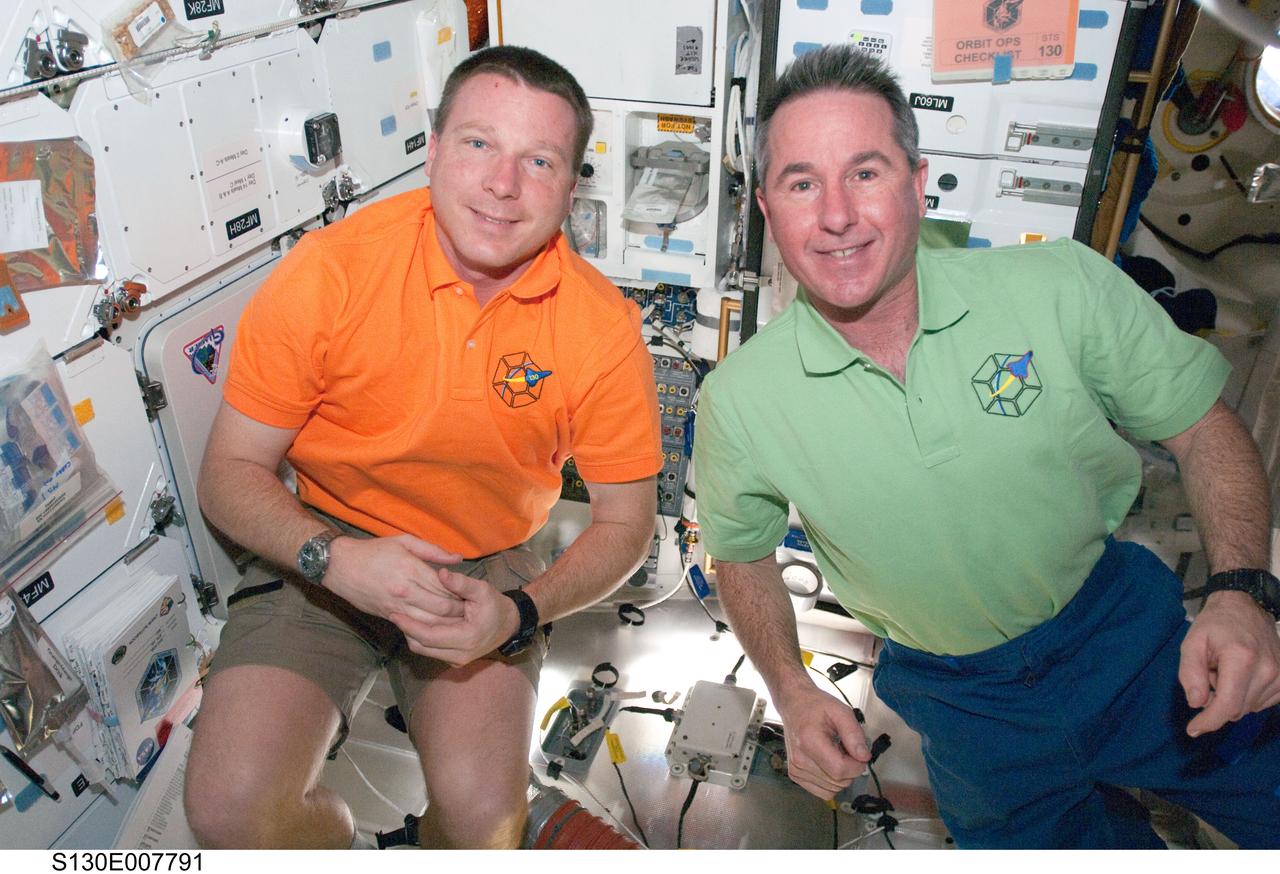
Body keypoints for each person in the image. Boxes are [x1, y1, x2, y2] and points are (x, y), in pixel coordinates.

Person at [693, 43, 1280, 849]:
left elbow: (1203, 423)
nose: (835, 214)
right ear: (768, 207)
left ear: (917, 180)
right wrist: (790, 689)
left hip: (1126, 643)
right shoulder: (740, 399)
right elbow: (741, 555)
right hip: (963, 711)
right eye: (803, 183)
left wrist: (1242, 592)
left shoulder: (1059, 285)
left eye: (865, 172)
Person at [183, 46, 662, 849]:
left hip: (483, 568)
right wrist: (336, 559)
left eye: (538, 160)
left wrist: (517, 613)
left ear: (571, 188)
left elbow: (627, 525)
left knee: (485, 826)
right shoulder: (328, 275)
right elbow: (228, 476)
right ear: (432, 149)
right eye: (478, 144)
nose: (502, 185)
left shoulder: (600, 329)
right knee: (232, 812)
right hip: (322, 549)